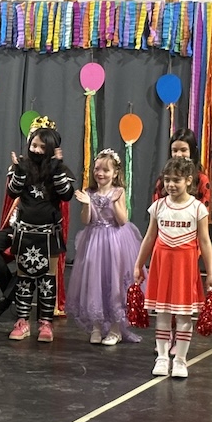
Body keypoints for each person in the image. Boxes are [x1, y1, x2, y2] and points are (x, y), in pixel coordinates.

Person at [134, 157, 212, 379]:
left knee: (183, 315)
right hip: (162, 265)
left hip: (185, 267)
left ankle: (180, 360)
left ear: (189, 180)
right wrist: (139, 264)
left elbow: (205, 241)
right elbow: (149, 237)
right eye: (167, 180)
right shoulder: (159, 206)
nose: (170, 184)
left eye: (176, 180)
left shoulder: (197, 208)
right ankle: (162, 358)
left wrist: (210, 273)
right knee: (162, 313)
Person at [5, 121, 76, 342]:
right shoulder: (22, 166)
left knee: (47, 280)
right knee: (24, 279)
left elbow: (66, 195)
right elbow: (12, 192)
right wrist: (18, 171)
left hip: (48, 234)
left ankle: (46, 323)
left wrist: (57, 170)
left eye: (42, 147)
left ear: (51, 149)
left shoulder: (59, 169)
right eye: (34, 145)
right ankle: (22, 321)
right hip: (25, 232)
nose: (36, 150)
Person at [66, 148, 144, 346]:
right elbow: (86, 220)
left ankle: (116, 329)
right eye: (97, 169)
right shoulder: (89, 192)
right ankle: (97, 327)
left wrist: (114, 202)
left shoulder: (118, 192)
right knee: (95, 282)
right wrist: (87, 204)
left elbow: (122, 220)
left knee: (115, 282)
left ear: (115, 173)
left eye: (106, 170)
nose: (100, 173)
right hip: (94, 241)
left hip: (115, 241)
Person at [153, 128, 212, 207]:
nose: (178, 155)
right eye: (175, 150)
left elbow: (204, 210)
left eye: (183, 150)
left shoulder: (201, 179)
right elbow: (156, 208)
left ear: (192, 152)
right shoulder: (163, 179)